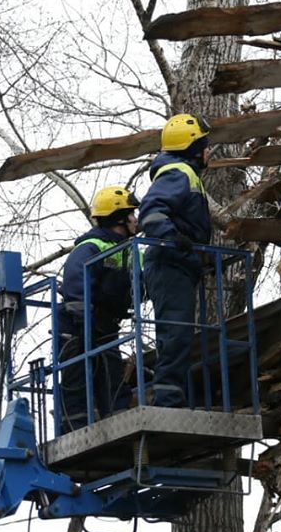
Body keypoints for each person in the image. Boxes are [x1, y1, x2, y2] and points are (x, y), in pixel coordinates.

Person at [138, 113, 212, 408]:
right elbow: (151, 214)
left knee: (178, 331)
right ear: (193, 148)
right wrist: (176, 240)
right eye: (205, 145)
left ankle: (172, 394)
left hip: (177, 263)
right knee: (175, 331)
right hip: (169, 263)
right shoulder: (178, 173)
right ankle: (167, 398)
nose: (209, 151)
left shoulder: (182, 173)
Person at [57, 185, 139, 433]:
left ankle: (118, 425)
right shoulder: (90, 248)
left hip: (105, 324)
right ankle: (74, 428)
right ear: (119, 218)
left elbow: (141, 282)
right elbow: (75, 284)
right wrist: (85, 322)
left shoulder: (128, 252)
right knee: (77, 378)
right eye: (132, 214)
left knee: (112, 375)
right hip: (77, 326)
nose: (136, 219)